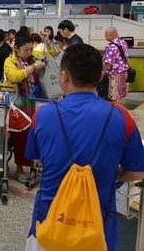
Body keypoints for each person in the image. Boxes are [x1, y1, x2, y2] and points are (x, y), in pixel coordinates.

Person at [25, 43, 144, 251]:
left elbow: (39, 159)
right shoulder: (121, 117)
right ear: (100, 77)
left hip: (48, 222)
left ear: (63, 76)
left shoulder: (42, 115)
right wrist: (111, 172)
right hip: (99, 227)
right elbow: (137, 172)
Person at [4, 31, 53, 183]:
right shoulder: (10, 61)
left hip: (36, 103)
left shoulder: (34, 58)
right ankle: (20, 168)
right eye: (25, 50)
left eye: (31, 49)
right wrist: (34, 67)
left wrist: (47, 41)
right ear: (16, 49)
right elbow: (14, 76)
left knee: (37, 137)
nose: (29, 52)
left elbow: (52, 54)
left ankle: (34, 166)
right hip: (20, 106)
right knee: (21, 139)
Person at [103, 27, 129, 105]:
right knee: (121, 94)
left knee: (114, 96)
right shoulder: (123, 42)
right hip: (124, 73)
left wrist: (101, 70)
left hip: (115, 74)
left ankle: (116, 114)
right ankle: (122, 112)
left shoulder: (112, 47)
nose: (105, 36)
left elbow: (108, 63)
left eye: (106, 34)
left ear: (111, 35)